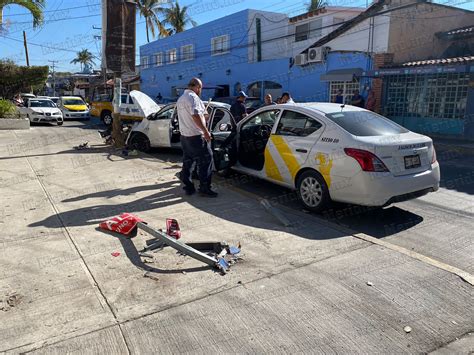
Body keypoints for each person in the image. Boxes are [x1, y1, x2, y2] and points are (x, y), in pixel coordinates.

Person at [176, 78, 217, 197]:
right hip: (196, 136)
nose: (200, 91)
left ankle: (188, 186)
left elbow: (197, 115)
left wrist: (205, 116)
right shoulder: (193, 97)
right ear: (197, 87)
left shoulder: (181, 99)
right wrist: (205, 132)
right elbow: (195, 116)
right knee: (206, 160)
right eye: (201, 89)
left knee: (188, 161)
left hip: (185, 136)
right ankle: (204, 188)